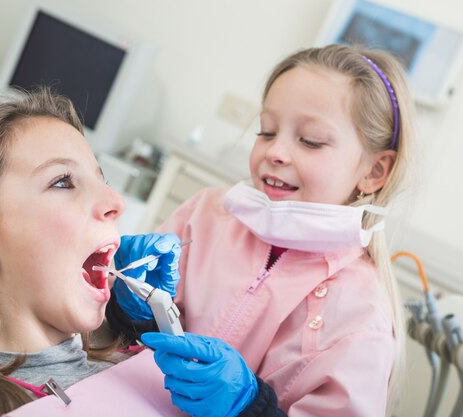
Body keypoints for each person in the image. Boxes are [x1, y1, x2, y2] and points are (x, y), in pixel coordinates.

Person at [0, 86, 284, 417]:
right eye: (62, 182)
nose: (115, 201)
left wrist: (252, 408)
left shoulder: (136, 360)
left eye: (102, 179)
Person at [108, 44, 416, 417]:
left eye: (310, 141)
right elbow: (124, 346)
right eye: (267, 131)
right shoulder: (205, 214)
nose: (276, 151)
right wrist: (126, 307)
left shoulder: (361, 314)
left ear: (374, 171)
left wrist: (251, 406)